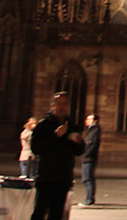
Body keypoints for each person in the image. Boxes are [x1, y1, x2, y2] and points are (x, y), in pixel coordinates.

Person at [29, 92, 84, 220]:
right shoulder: (43, 125)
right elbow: (36, 149)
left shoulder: (71, 126)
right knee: (39, 212)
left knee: (57, 214)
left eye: (65, 104)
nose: (62, 107)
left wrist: (79, 142)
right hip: (46, 177)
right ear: (52, 105)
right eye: (59, 104)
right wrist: (55, 135)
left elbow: (79, 151)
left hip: (63, 177)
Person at [79, 114, 100, 207]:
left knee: (88, 178)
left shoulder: (94, 130)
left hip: (89, 157)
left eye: (89, 119)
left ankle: (89, 199)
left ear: (94, 121)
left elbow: (92, 144)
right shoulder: (92, 130)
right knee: (87, 178)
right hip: (88, 157)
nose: (86, 121)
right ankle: (89, 198)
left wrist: (86, 154)